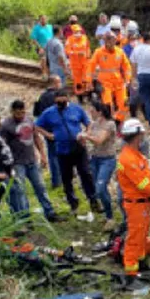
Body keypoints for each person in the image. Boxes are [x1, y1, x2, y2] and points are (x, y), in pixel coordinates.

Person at [34, 88, 99, 219]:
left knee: (86, 173)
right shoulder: (49, 113)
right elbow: (37, 126)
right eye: (58, 103)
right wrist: (48, 135)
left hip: (78, 147)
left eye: (62, 102)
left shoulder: (77, 109)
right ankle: (73, 203)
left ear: (68, 99)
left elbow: (88, 123)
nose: (60, 105)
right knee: (66, 178)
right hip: (62, 150)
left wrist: (86, 134)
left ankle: (93, 200)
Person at [115, 119, 150, 287]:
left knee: (142, 234)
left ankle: (142, 264)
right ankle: (131, 273)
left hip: (142, 202)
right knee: (134, 237)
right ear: (136, 135)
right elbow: (141, 183)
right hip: (135, 203)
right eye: (141, 134)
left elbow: (147, 176)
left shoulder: (137, 155)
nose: (143, 136)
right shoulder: (128, 159)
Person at [1, 101, 60, 223]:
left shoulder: (28, 120)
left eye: (23, 112)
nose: (21, 115)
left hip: (32, 160)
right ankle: (25, 216)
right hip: (17, 163)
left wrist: (43, 155)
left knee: (40, 187)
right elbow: (2, 145)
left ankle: (49, 212)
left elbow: (36, 137)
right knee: (20, 191)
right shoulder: (6, 126)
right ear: (12, 112)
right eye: (18, 113)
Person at [81, 102, 119, 230]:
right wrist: (82, 137)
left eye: (92, 110)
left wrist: (86, 136)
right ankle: (108, 214)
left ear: (100, 112)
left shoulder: (110, 124)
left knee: (100, 188)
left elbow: (99, 140)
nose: (90, 113)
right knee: (100, 189)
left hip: (107, 159)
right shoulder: (94, 124)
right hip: (95, 158)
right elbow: (87, 134)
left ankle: (110, 217)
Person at [90, 32, 133, 122]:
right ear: (104, 41)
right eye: (107, 40)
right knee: (107, 104)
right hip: (105, 82)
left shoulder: (120, 52)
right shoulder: (98, 52)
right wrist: (89, 81)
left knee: (124, 104)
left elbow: (127, 66)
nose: (110, 42)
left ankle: (118, 120)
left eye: (112, 40)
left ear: (115, 40)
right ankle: (109, 120)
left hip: (119, 82)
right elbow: (91, 66)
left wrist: (128, 79)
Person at [34, 75, 64, 189]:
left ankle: (56, 181)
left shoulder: (41, 96)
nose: (60, 84)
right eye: (59, 82)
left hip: (48, 130)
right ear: (55, 83)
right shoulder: (59, 96)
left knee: (52, 155)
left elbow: (36, 114)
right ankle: (63, 178)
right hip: (61, 129)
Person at [65, 24, 92, 101]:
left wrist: (88, 54)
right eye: (76, 31)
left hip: (85, 63)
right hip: (75, 65)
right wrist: (76, 53)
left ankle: (89, 96)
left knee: (87, 80)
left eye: (79, 31)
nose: (78, 33)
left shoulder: (84, 38)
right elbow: (67, 51)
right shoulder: (69, 40)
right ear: (73, 32)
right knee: (78, 82)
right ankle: (80, 98)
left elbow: (88, 48)